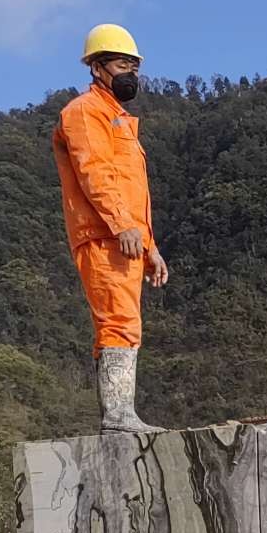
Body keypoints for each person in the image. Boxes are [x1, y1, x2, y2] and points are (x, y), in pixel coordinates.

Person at [52, 23, 170, 433]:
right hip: (103, 235)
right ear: (97, 67)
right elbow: (95, 173)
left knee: (124, 322)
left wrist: (150, 246)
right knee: (118, 321)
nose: (130, 75)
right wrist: (121, 225)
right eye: (122, 65)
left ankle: (120, 414)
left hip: (125, 237)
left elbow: (133, 191)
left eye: (134, 68)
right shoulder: (85, 112)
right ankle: (118, 416)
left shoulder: (118, 118)